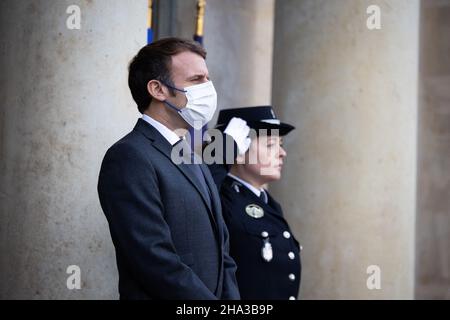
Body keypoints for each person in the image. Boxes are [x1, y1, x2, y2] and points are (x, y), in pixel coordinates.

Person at [97, 38, 240, 299]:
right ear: (158, 89)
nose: (208, 88)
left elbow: (223, 254)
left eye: (208, 79)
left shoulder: (191, 155)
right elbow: (154, 259)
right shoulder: (130, 157)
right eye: (197, 80)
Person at [213, 106, 302, 300]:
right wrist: (222, 151)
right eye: (270, 145)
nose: (282, 153)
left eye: (281, 144)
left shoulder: (268, 203)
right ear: (238, 151)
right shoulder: (221, 199)